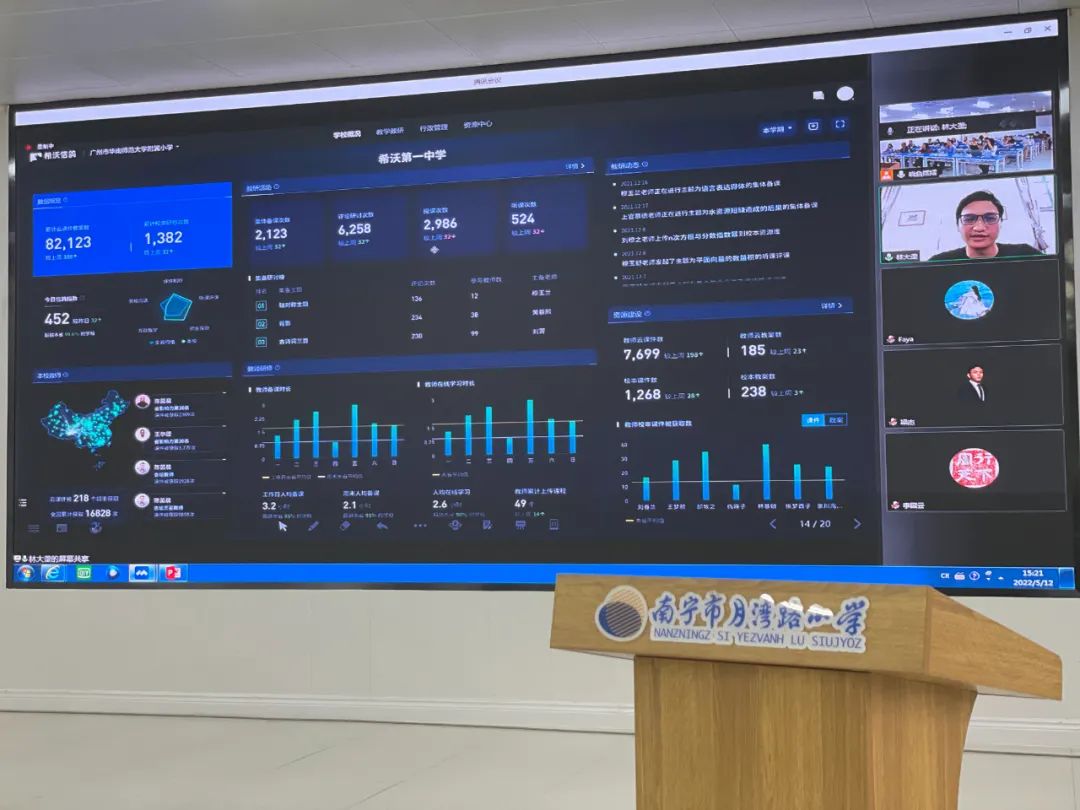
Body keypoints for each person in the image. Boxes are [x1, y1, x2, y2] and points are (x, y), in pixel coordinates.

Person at [929, 190, 1042, 261]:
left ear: (1001, 223)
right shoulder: (939, 263)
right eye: (969, 219)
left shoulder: (1027, 255)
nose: (979, 228)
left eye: (990, 218)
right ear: (958, 225)